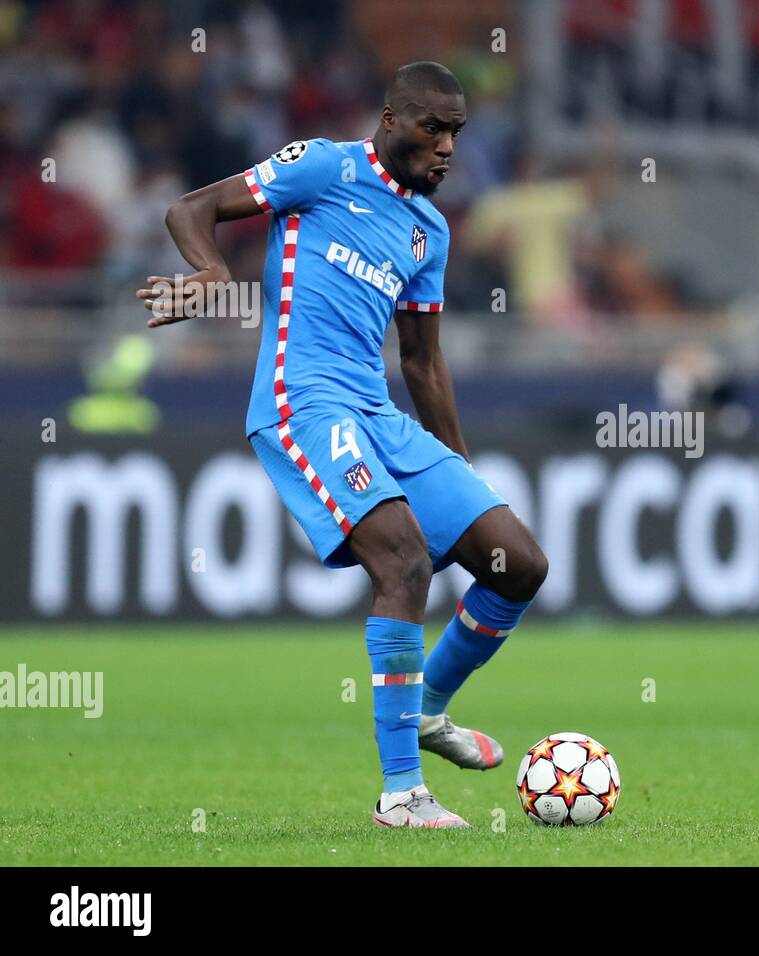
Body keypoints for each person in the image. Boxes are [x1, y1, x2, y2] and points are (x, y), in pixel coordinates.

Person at [136, 61, 547, 830]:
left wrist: (458, 470)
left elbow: (422, 362)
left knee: (517, 563)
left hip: (376, 411)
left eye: (457, 132)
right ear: (391, 121)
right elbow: (191, 207)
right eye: (434, 127)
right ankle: (401, 794)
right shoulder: (322, 167)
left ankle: (425, 708)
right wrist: (211, 269)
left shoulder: (430, 230)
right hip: (304, 404)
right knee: (403, 561)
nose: (448, 146)